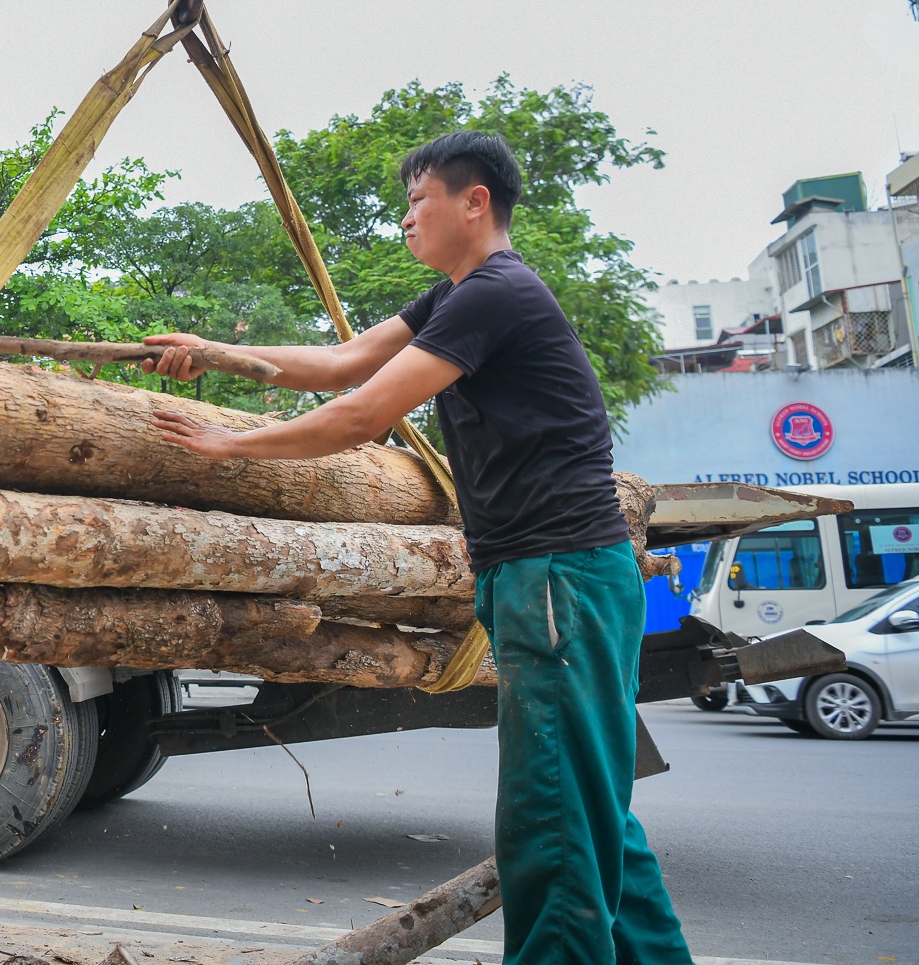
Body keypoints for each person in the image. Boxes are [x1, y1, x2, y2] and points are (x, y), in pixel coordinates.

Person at [140, 130, 692, 965]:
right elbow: (341, 362)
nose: (405, 218)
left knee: (552, 813)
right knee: (593, 804)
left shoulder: (494, 293)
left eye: (417, 199)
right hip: (562, 576)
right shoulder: (456, 298)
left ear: (475, 202)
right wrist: (215, 356)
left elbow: (363, 412)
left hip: (558, 578)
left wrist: (230, 447)